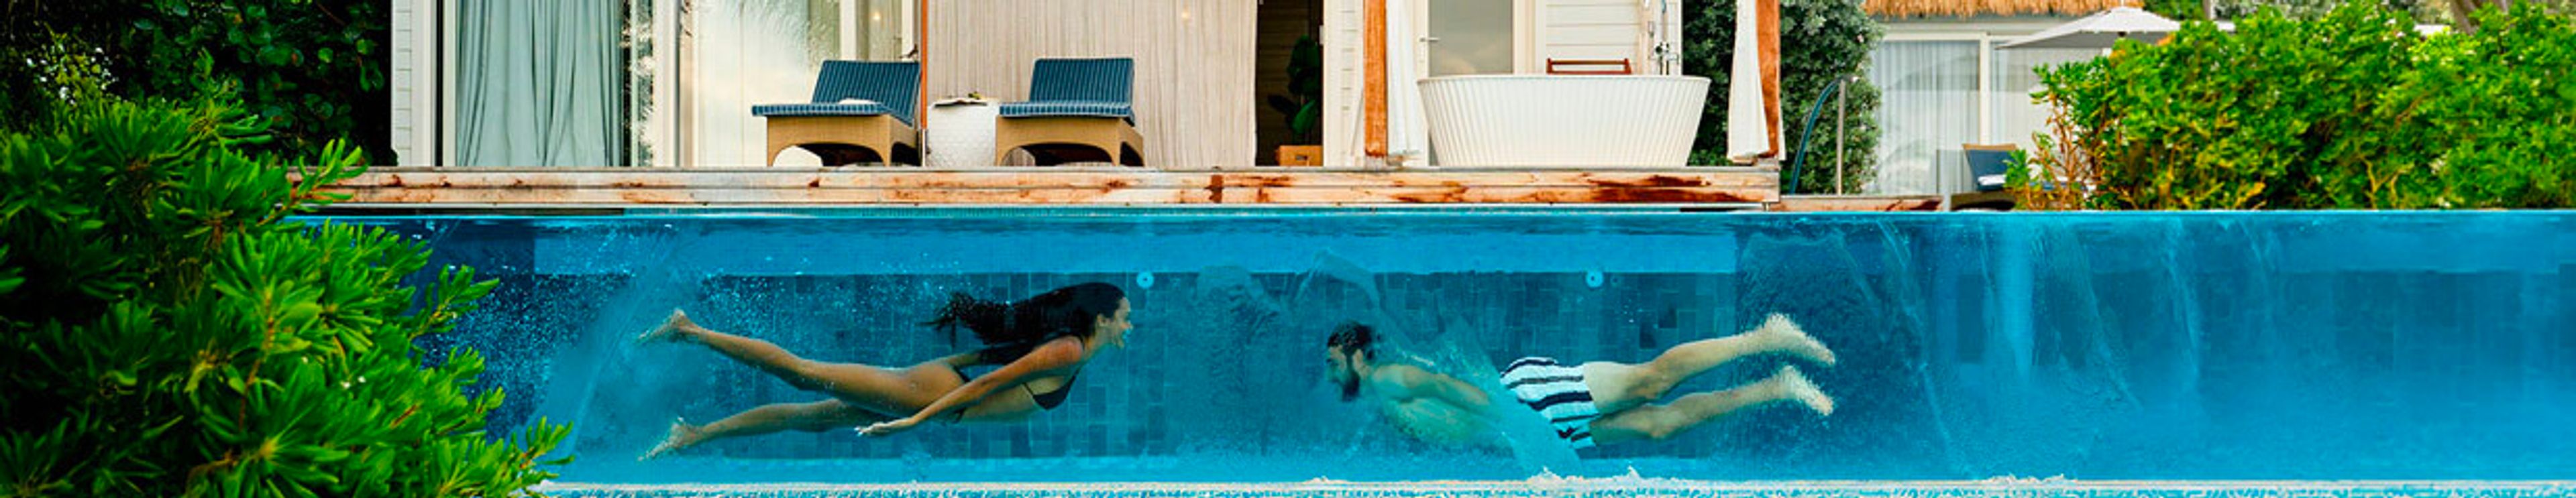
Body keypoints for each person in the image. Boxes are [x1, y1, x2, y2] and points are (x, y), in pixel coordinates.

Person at [637, 282, 1133, 459]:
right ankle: (690, 330)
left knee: (813, 415)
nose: (1130, 323)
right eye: (1125, 315)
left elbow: (988, 362)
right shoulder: (1068, 349)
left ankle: (693, 435)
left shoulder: (1074, 350)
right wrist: (913, 419)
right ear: (1102, 319)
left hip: (935, 388)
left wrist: (927, 376)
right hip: (933, 396)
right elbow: (987, 383)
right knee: (805, 373)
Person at [1322, 314, 1833, 450]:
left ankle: (1765, 337)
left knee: (1649, 382)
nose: (1331, 372)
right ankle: (1777, 385)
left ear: (1359, 356)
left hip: (1525, 404)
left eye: (1334, 361)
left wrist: (1509, 417)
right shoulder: (1378, 399)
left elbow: (1445, 387)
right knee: (1657, 427)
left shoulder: (1388, 377)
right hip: (1531, 429)